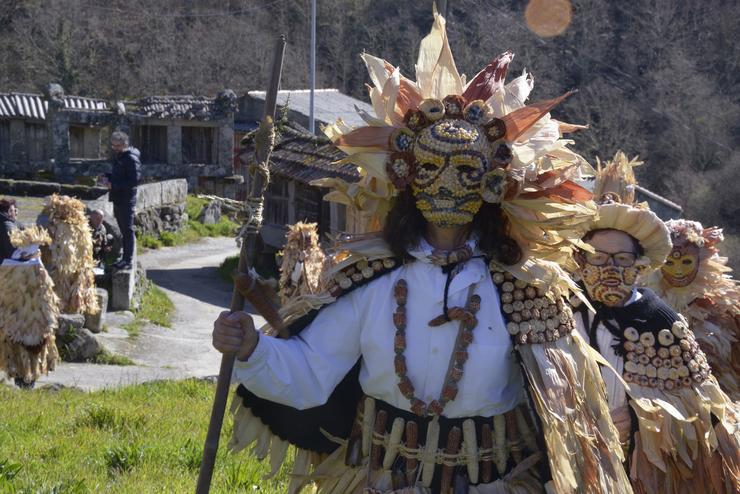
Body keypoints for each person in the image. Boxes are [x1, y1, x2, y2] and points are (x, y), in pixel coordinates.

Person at [212, 10, 630, 494]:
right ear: (407, 177)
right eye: (432, 168)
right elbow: (309, 374)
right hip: (381, 481)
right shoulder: (371, 281)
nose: (448, 185)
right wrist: (252, 348)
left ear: (492, 184)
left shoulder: (523, 291)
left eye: (465, 171)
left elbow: (567, 409)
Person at [569, 152, 739, 493]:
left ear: (638, 265)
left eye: (622, 259)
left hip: (637, 471)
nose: (610, 269)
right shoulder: (561, 312)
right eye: (598, 258)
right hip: (571, 462)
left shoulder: (661, 321)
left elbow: (705, 411)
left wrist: (642, 421)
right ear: (579, 260)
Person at [642, 219, 740, 400]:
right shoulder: (644, 302)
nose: (678, 271)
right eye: (670, 263)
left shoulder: (725, 305)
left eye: (686, 262)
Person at [0, 225, 60, 389]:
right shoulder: (36, 269)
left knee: (20, 351)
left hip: (18, 322)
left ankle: (22, 379)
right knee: (28, 352)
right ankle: (27, 380)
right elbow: (48, 296)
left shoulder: (7, 267)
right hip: (30, 323)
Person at [106, 130, 140, 270]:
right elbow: (120, 176)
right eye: (113, 145)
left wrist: (114, 184)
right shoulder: (120, 156)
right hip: (118, 198)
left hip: (126, 199)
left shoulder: (131, 158)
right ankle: (124, 258)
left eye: (117, 146)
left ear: (124, 144)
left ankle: (128, 260)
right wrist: (107, 177)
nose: (115, 148)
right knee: (123, 229)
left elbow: (134, 181)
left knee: (127, 230)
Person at [0, 198, 19, 264]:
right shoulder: (8, 225)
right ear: (10, 212)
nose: (16, 213)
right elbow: (13, 253)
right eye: (15, 210)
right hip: (4, 264)